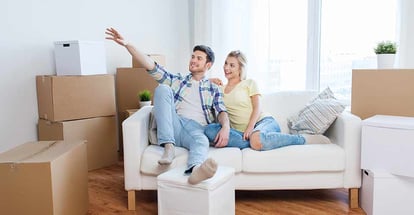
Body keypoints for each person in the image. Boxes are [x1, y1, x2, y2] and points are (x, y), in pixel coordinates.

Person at [105, 27, 231, 184]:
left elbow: (221, 111)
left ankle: (195, 170)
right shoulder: (177, 81)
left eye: (199, 58)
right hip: (174, 124)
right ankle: (168, 146)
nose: (193, 60)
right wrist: (127, 44)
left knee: (202, 141)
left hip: (196, 129)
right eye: (193, 56)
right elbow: (151, 65)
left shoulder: (213, 88)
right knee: (163, 88)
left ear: (208, 65)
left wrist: (226, 127)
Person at [205, 50, 328, 151]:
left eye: (232, 65)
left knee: (256, 138)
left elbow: (257, 107)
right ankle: (256, 141)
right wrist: (208, 81)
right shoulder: (220, 89)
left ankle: (302, 139)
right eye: (226, 63)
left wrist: (250, 127)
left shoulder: (249, 83)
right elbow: (197, 86)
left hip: (262, 123)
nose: (226, 68)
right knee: (209, 130)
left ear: (240, 69)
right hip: (239, 133)